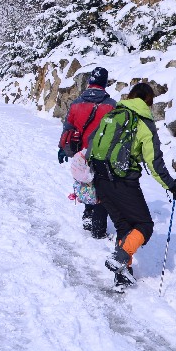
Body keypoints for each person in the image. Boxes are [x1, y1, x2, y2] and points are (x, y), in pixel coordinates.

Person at [88, 82, 176, 289]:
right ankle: (120, 257)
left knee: (124, 226)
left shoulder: (114, 114)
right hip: (122, 181)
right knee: (144, 225)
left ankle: (122, 275)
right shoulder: (143, 122)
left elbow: (92, 142)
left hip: (101, 179)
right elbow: (154, 162)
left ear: (131, 96)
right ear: (149, 102)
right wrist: (171, 185)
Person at [58, 66, 116, 239]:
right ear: (104, 83)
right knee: (102, 188)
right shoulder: (111, 105)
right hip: (102, 154)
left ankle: (87, 215)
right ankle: (98, 229)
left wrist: (62, 147)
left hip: (80, 153)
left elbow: (68, 126)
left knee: (85, 181)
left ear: (90, 81)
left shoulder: (76, 103)